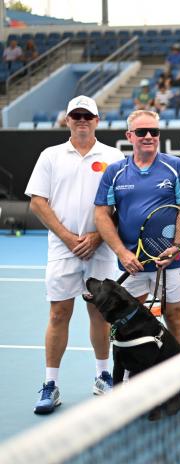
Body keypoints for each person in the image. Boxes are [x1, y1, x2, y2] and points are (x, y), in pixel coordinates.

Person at [25, 95, 125, 414]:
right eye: (75, 115)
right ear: (67, 120)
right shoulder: (50, 156)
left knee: (100, 314)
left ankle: (102, 376)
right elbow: (38, 202)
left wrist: (98, 236)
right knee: (59, 314)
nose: (82, 120)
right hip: (62, 250)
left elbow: (120, 203)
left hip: (102, 250)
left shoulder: (114, 156)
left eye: (88, 115)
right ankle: (50, 385)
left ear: (97, 121)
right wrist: (69, 238)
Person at [94, 110, 180, 353]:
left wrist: (176, 246)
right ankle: (131, 375)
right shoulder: (115, 171)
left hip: (169, 261)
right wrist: (121, 253)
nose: (149, 136)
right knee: (127, 320)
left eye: (154, 131)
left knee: (175, 316)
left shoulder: (175, 166)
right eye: (141, 132)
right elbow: (101, 215)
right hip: (132, 263)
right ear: (130, 136)